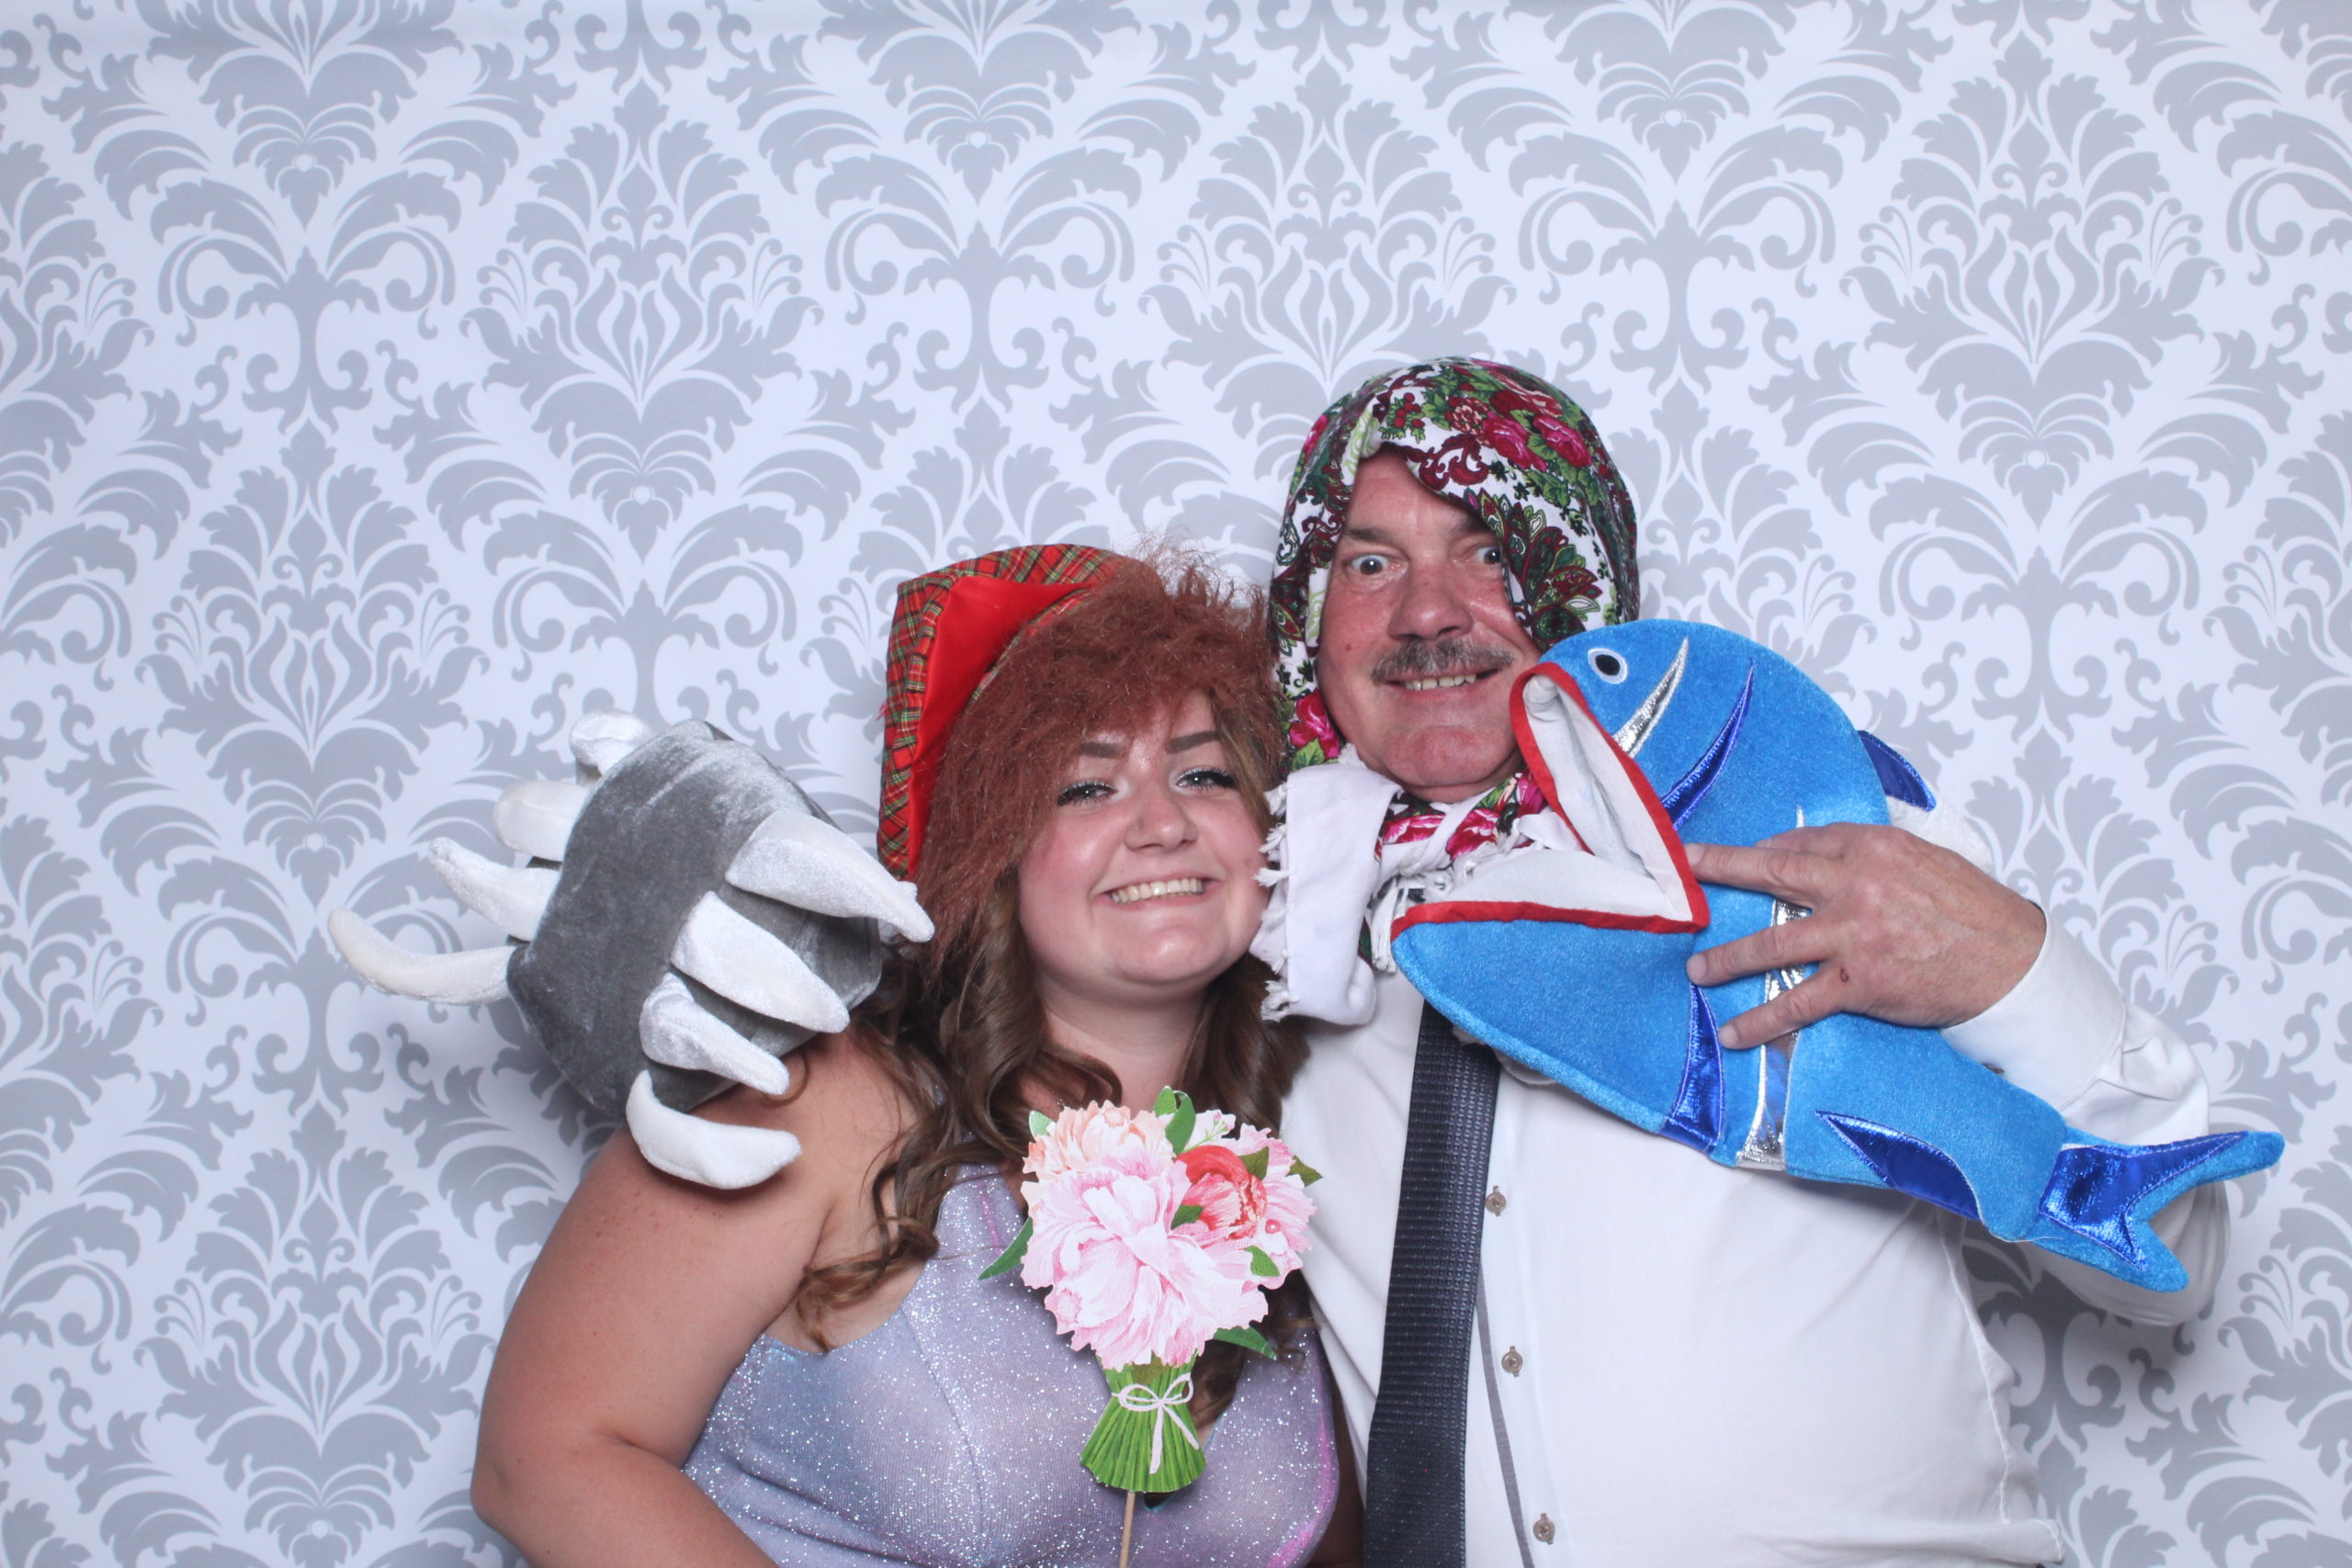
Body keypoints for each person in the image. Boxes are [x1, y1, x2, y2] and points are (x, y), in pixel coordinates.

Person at [1258, 358, 2232, 1566]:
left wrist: (2008, 962)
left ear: (1578, 578)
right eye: (1369, 563)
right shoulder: (1268, 944)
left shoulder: (1814, 828)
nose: (1426, 613)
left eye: (1489, 549)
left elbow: (2174, 1267)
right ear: (1309, 613)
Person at [467, 547, 1361, 1567]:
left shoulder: (1314, 1158)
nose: (1162, 824)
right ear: (992, 852)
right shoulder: (813, 1099)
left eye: (1205, 774)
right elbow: (546, 1457)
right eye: (1084, 787)